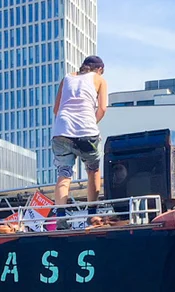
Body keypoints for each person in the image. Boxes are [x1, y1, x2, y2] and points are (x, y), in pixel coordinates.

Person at [51, 55, 108, 206]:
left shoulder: (66, 78)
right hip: (86, 130)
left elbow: (56, 109)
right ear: (99, 69)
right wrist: (91, 122)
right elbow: (102, 108)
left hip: (61, 130)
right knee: (93, 170)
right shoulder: (99, 79)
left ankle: (60, 215)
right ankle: (92, 212)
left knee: (64, 173)